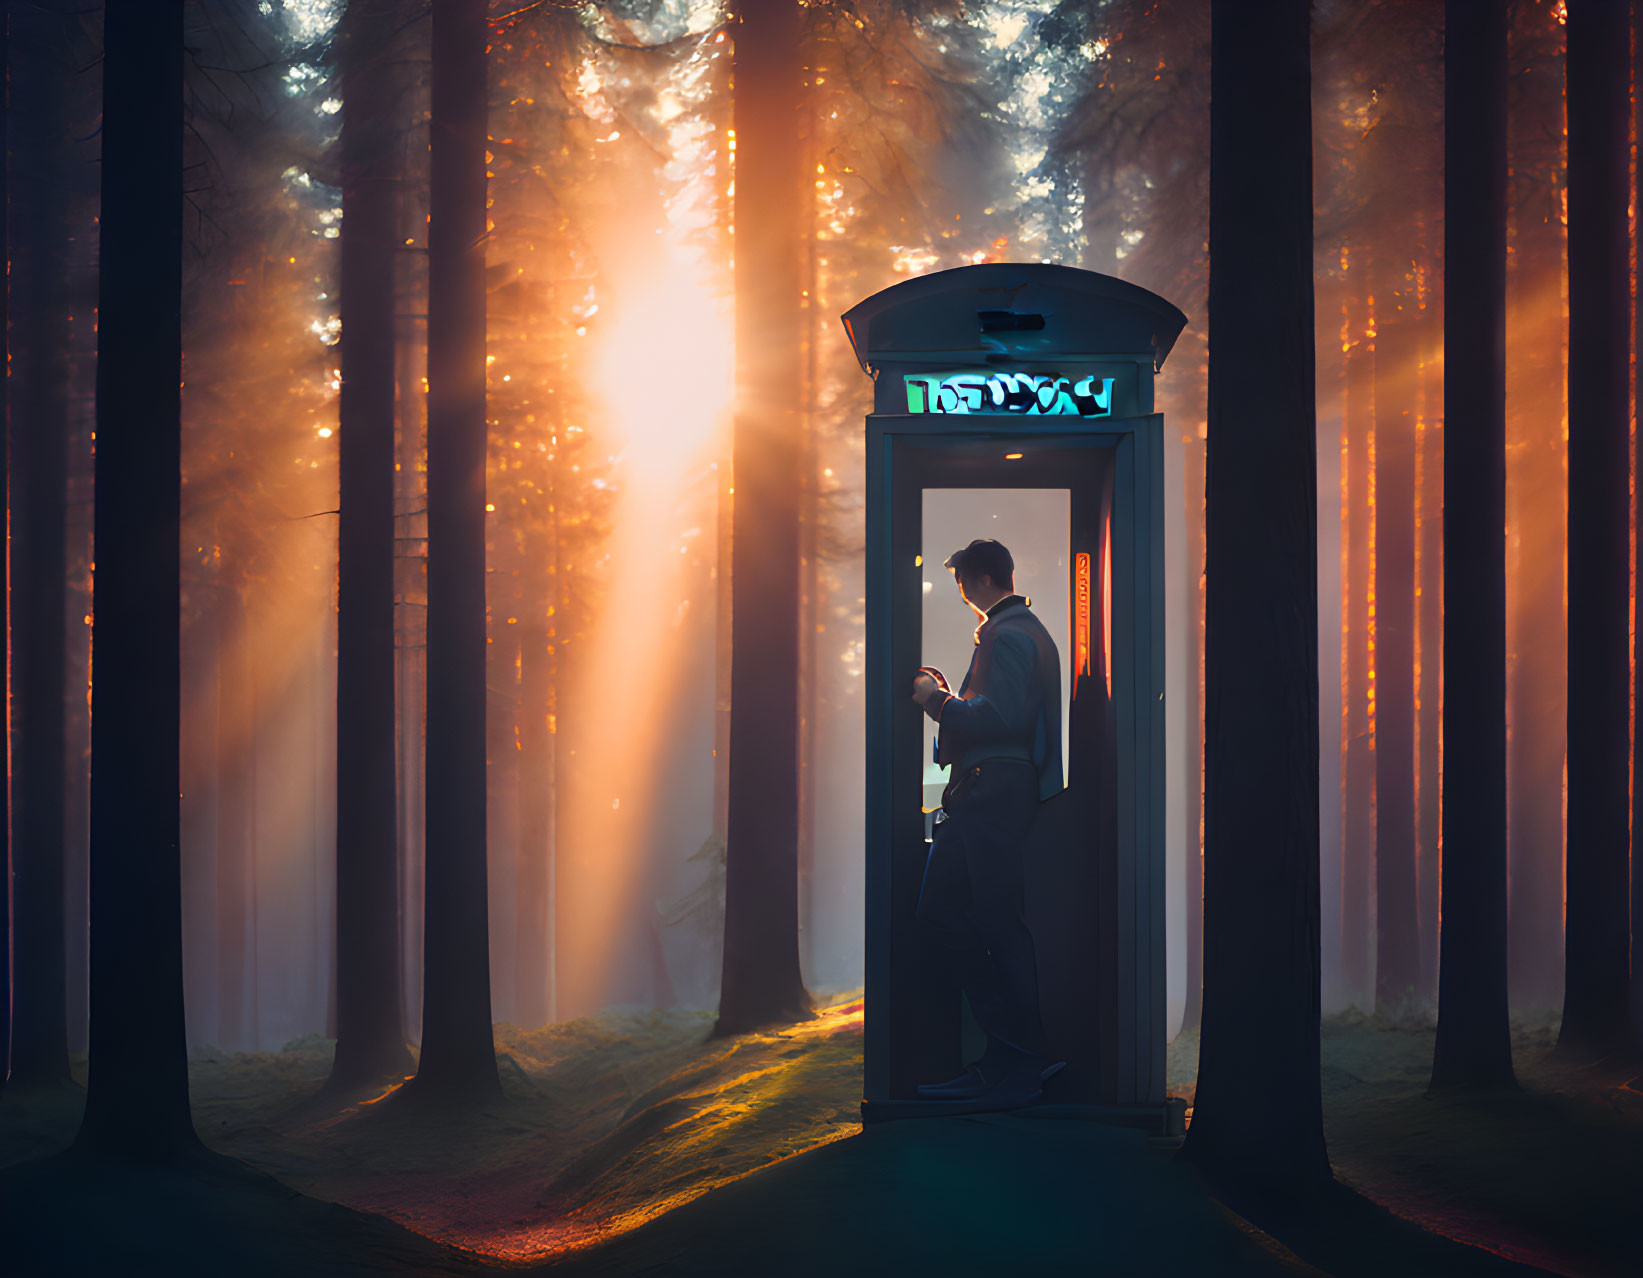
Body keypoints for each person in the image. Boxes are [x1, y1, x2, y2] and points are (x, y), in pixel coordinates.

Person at [910, 537, 1063, 1109]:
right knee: (976, 920)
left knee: (983, 922)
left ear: (974, 579)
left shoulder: (1009, 632)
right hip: (990, 795)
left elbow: (1001, 716)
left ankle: (1019, 1060)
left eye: (960, 582)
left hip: (991, 795)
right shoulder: (1018, 630)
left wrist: (936, 700)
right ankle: (1013, 1060)